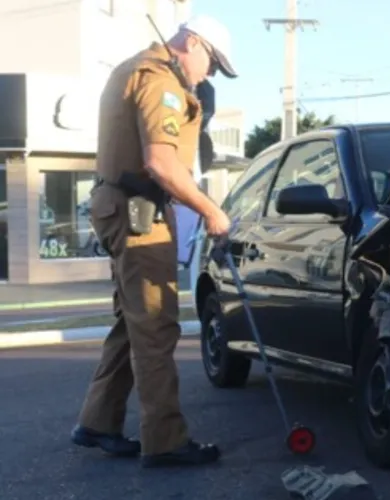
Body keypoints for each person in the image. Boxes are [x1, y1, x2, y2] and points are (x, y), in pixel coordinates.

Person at [71, 15, 238, 468]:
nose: (209, 74)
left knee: (133, 322)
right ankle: (164, 441)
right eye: (212, 63)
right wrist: (211, 210)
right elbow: (161, 163)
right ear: (193, 43)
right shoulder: (160, 80)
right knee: (156, 325)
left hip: (119, 207)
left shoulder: (133, 69)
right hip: (138, 214)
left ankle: (98, 421)